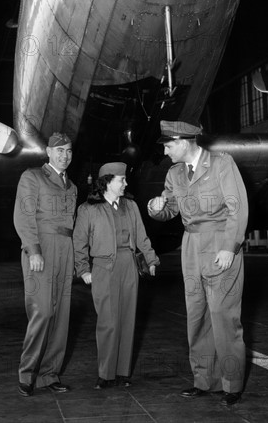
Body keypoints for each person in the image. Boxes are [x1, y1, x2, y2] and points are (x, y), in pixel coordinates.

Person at [147, 121, 248, 406]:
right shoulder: (175, 174)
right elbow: (169, 210)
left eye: (168, 145)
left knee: (223, 316)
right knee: (197, 315)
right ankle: (204, 380)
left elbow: (237, 208)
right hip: (190, 246)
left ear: (183, 141)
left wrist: (230, 247)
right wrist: (156, 209)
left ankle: (232, 384)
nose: (165, 152)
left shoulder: (221, 164)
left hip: (220, 243)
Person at [73, 162, 160, 390]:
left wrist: (151, 259)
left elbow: (142, 236)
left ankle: (122, 373)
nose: (126, 183)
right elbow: (79, 242)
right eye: (122, 180)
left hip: (128, 265)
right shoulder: (88, 209)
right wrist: (83, 269)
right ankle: (106, 374)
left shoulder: (131, 206)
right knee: (108, 322)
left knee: (127, 319)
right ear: (107, 182)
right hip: (103, 267)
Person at [14, 132, 77, 397]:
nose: (65, 155)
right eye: (59, 150)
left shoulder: (72, 186)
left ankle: (49, 375)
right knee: (42, 312)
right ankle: (27, 374)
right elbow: (23, 216)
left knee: (61, 315)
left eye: (69, 151)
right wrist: (33, 251)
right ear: (49, 152)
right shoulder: (33, 177)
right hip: (41, 249)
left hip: (65, 249)